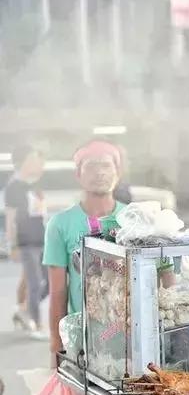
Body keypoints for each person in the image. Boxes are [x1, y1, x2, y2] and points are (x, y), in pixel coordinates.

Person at [43, 140, 128, 368]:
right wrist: (56, 344)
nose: (99, 172)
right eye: (91, 166)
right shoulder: (60, 224)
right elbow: (58, 291)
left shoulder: (133, 221)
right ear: (78, 174)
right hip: (83, 341)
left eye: (106, 165)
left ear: (117, 173)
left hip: (130, 338)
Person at [4, 145, 48, 338]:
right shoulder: (14, 187)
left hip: (42, 238)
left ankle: (24, 310)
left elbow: (40, 213)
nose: (37, 164)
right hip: (26, 241)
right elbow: (10, 218)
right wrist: (12, 244)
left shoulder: (34, 184)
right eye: (33, 159)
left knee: (49, 281)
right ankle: (36, 325)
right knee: (35, 284)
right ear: (22, 162)